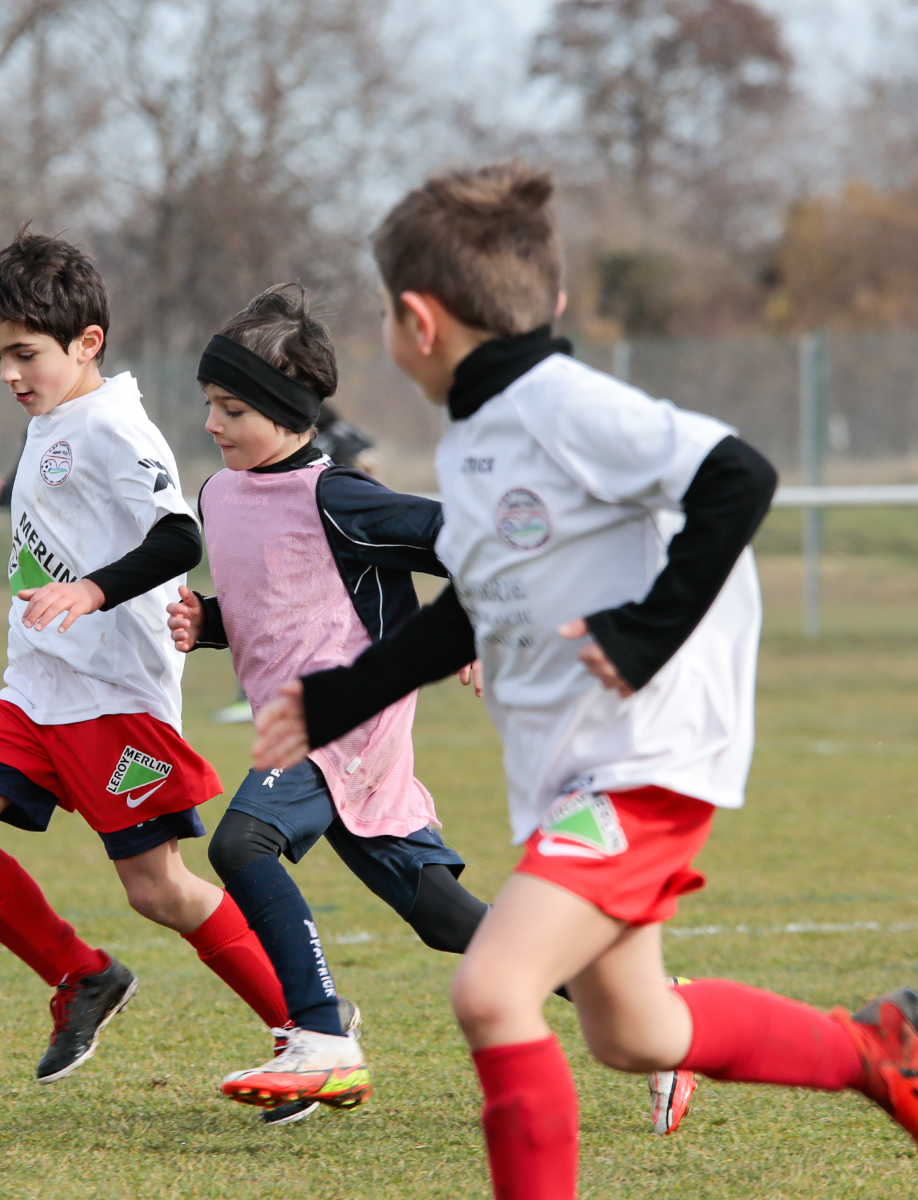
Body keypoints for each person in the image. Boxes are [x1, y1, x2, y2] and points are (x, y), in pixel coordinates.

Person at [250, 162, 918, 1197]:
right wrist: (342, 696)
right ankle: (878, 1049)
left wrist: (646, 633)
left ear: (416, 322)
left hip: (642, 761)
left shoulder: (560, 404)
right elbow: (468, 611)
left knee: (492, 991)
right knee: (635, 1030)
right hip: (579, 774)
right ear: (547, 298)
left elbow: (738, 476)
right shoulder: (477, 437)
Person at [0, 228, 289, 1087]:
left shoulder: (115, 423)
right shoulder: (53, 417)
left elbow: (178, 534)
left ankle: (302, 1020)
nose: (9, 373)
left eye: (25, 353)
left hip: (114, 698)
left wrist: (89, 593)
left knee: (158, 890)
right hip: (36, 693)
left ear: (88, 343)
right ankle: (82, 975)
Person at [169, 284, 483, 1119]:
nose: (213, 423)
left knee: (241, 844)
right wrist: (209, 623)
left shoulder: (337, 498)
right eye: (209, 403)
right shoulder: (221, 495)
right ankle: (643, 1000)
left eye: (232, 407)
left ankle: (320, 1035)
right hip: (305, 726)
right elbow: (282, 608)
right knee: (447, 920)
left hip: (348, 719)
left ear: (286, 409)